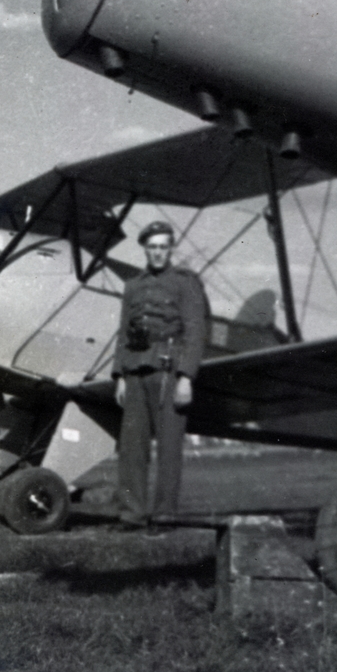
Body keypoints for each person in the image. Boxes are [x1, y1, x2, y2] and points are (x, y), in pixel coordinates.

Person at [112, 221, 209, 528]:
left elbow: (195, 332)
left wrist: (186, 377)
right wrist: (119, 375)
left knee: (169, 448)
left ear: (170, 248)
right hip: (136, 372)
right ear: (145, 249)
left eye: (163, 247)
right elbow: (124, 333)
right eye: (152, 247)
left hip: (170, 372)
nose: (157, 253)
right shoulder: (133, 286)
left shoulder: (185, 284)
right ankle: (132, 514)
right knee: (131, 449)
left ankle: (165, 513)